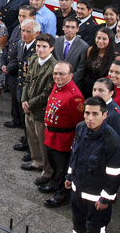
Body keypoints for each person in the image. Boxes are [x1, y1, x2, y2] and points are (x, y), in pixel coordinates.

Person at [65, 96, 120, 232]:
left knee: (95, 229)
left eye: (95, 114)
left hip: (96, 200)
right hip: (77, 192)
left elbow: (115, 173)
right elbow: (74, 155)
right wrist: (69, 177)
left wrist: (105, 199)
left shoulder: (112, 140)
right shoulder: (80, 128)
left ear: (104, 115)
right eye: (87, 113)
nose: (90, 118)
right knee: (77, 225)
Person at [41, 61, 85, 207]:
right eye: (55, 73)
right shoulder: (58, 86)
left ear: (71, 76)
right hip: (51, 135)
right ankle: (54, 184)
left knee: (62, 168)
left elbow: (78, 122)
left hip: (63, 139)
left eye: (61, 74)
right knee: (54, 165)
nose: (57, 76)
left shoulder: (74, 96)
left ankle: (61, 194)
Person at [20, 32, 56, 186]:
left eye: (44, 47)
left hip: (40, 109)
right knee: (32, 137)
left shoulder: (53, 67)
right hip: (28, 106)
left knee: (42, 142)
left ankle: (47, 171)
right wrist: (23, 99)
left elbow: (46, 94)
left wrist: (30, 103)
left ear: (51, 48)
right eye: (38, 46)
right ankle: (36, 162)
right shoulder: (34, 59)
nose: (40, 50)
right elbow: (27, 79)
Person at [3, 6, 37, 128]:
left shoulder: (36, 39)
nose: (21, 18)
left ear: (33, 18)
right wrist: (4, 63)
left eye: (24, 16)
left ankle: (25, 129)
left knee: (23, 103)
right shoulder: (17, 28)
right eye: (19, 15)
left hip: (21, 74)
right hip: (13, 73)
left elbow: (23, 59)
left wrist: (9, 67)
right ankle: (16, 119)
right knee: (14, 98)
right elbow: (8, 46)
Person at [11, 18, 40, 153]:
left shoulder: (38, 49)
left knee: (31, 120)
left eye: (28, 31)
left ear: (36, 33)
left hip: (31, 90)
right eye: (23, 30)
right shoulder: (21, 43)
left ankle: (32, 149)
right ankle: (26, 139)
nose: (24, 34)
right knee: (24, 118)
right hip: (21, 85)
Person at [79, 28, 116, 98]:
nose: (100, 41)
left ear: (110, 40)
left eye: (104, 39)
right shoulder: (91, 50)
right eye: (98, 38)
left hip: (100, 92)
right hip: (85, 87)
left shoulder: (114, 57)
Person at [91, 77, 120, 144]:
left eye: (101, 90)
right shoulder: (93, 106)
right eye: (94, 90)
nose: (96, 93)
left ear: (111, 93)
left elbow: (116, 142)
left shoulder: (116, 115)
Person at [54, 16, 88, 84]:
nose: (69, 30)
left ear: (77, 29)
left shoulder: (83, 46)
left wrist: (67, 81)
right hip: (55, 79)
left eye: (73, 27)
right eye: (67, 27)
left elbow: (81, 69)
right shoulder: (56, 42)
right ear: (63, 28)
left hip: (72, 82)